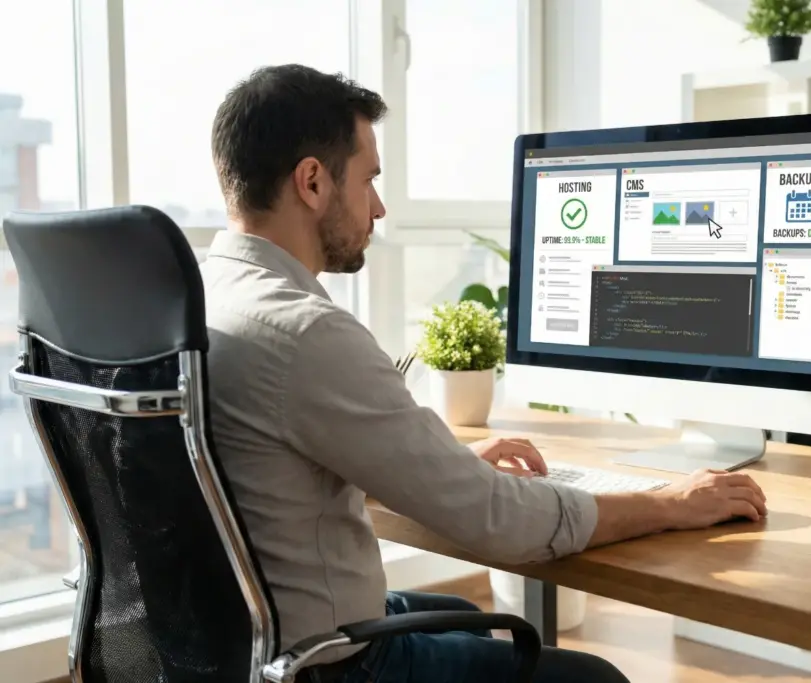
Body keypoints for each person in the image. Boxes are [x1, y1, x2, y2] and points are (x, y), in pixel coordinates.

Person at [201, 64, 768, 683]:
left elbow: (262, 468)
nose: (380, 207)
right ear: (312, 182)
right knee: (593, 678)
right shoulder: (303, 331)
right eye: (369, 180)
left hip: (239, 641)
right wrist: (670, 504)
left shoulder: (205, 297)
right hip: (321, 664)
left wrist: (442, 464)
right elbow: (499, 523)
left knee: (457, 612)